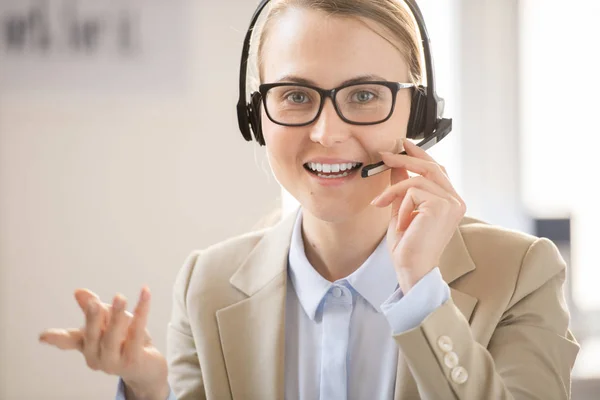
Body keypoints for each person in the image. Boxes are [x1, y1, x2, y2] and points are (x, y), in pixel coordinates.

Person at [39, 0, 581, 399]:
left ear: (417, 114)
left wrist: (422, 294)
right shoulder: (206, 284)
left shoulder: (521, 274)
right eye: (296, 96)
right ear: (256, 116)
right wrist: (148, 388)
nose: (327, 132)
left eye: (364, 95)